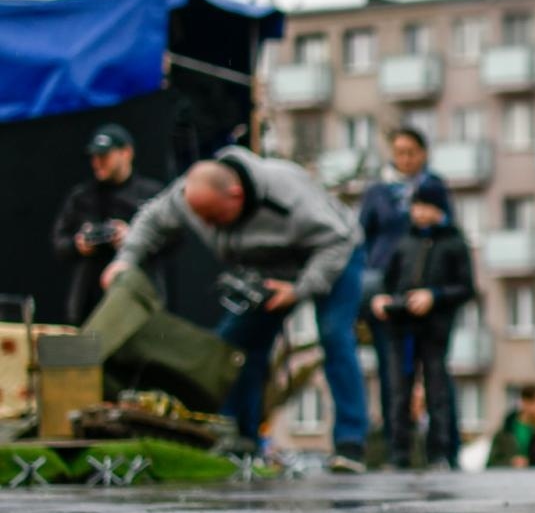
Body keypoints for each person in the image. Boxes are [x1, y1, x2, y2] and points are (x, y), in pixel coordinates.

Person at [103, 148, 370, 469]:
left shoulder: (288, 195)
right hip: (267, 269)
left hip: (333, 256)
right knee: (233, 349)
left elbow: (337, 240)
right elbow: (151, 220)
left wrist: (300, 289)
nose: (207, 226)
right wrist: (125, 261)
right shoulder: (188, 196)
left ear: (236, 195)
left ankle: (349, 444)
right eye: (200, 218)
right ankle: (240, 438)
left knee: (334, 335)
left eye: (213, 217)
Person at [358, 128, 455, 460]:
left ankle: (443, 449)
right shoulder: (378, 193)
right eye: (399, 151)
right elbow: (363, 238)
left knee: (436, 372)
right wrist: (373, 288)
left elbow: (450, 238)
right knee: (394, 371)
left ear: (424, 153)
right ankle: (396, 447)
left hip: (429, 295)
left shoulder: (435, 187)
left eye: (411, 151)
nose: (405, 158)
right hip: (389, 291)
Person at [370, 181, 476, 471]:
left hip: (435, 329)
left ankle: (441, 453)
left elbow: (466, 287)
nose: (419, 212)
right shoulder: (404, 242)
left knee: (437, 389)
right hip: (401, 328)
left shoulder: (454, 242)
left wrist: (435, 296)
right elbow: (387, 280)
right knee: (398, 390)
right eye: (416, 206)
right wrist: (382, 299)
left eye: (425, 206)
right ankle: (398, 453)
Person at [51, 124, 167, 325]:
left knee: (140, 352)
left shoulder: (152, 193)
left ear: (126, 153)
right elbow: (59, 242)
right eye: (94, 157)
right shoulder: (82, 196)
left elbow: (173, 239)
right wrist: (78, 244)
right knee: (78, 354)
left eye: (104, 156)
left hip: (139, 299)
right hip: (88, 302)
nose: (97, 162)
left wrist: (132, 238)